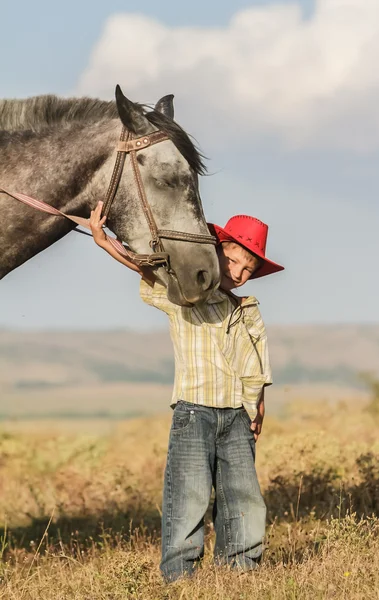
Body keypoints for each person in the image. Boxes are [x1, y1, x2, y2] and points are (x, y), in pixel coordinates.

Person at [89, 201, 284, 581]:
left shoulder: (249, 309)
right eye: (233, 261)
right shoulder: (186, 296)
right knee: (189, 494)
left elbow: (258, 367)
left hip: (238, 418)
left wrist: (259, 410)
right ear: (214, 253)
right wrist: (104, 242)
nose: (240, 273)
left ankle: (239, 573)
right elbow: (146, 270)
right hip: (194, 412)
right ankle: (181, 576)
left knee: (243, 496)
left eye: (249, 269)